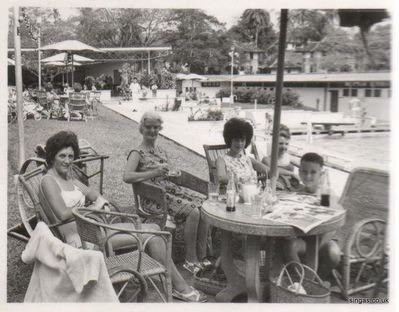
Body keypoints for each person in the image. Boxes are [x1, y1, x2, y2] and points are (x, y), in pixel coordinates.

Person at [40, 131, 207, 302]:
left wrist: (97, 199)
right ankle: (180, 287)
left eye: (70, 156)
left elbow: (92, 193)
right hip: (84, 242)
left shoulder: (68, 178)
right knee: (155, 235)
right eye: (62, 156)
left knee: (156, 228)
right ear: (52, 156)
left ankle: (170, 281)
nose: (67, 161)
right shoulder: (49, 180)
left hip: (95, 229)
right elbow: (61, 214)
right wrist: (95, 207)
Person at [123, 111, 211, 274]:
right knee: (193, 211)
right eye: (148, 127)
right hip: (153, 197)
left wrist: (173, 173)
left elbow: (169, 172)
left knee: (204, 207)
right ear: (141, 128)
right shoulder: (137, 152)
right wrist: (154, 173)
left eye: (156, 127)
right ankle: (190, 260)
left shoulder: (161, 150)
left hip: (170, 190)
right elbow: (127, 176)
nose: (152, 131)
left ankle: (202, 256)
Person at [282, 152, 341, 280]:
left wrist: (315, 250)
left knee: (334, 253)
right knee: (289, 246)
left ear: (321, 173)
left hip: (324, 241)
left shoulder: (325, 194)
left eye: (313, 172)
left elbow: (331, 226)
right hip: (305, 241)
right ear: (299, 171)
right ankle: (301, 281)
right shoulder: (298, 193)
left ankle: (316, 280)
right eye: (304, 171)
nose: (308, 176)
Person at [216, 117, 269, 186]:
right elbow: (221, 177)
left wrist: (284, 173)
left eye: (242, 140)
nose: (240, 143)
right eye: (236, 140)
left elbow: (269, 171)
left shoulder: (248, 159)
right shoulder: (222, 160)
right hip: (234, 194)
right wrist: (240, 182)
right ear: (229, 140)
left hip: (253, 193)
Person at [262, 124, 300, 191]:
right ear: (273, 144)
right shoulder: (267, 160)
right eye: (280, 144)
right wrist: (292, 174)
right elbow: (275, 170)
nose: (283, 147)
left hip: (291, 190)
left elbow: (302, 165)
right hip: (277, 190)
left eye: (286, 144)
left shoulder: (289, 158)